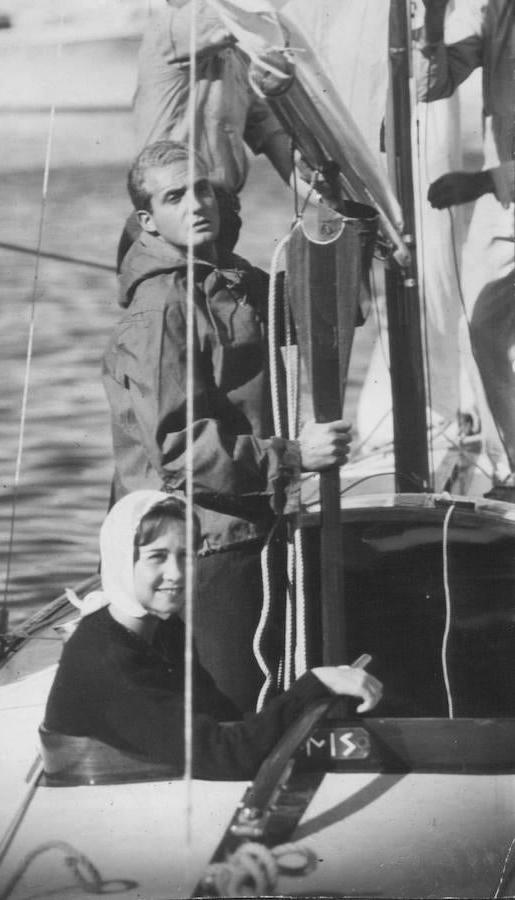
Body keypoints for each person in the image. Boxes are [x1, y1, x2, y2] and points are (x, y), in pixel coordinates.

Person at [102, 140, 353, 712]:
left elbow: (307, 313)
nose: (196, 204)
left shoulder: (223, 276)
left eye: (203, 188)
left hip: (243, 523)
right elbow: (178, 448)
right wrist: (293, 456)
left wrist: (343, 236)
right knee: (232, 711)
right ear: (148, 220)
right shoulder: (162, 307)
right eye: (175, 197)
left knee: (258, 697)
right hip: (201, 544)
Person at [43, 491, 382, 781]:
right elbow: (228, 756)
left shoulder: (162, 628)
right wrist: (315, 684)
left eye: (186, 556)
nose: (176, 574)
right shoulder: (108, 663)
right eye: (157, 557)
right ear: (120, 562)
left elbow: (222, 719)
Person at [116, 0, 298, 267]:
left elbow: (279, 145)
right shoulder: (171, 27)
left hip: (216, 219)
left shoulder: (240, 61)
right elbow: (240, 15)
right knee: (172, 303)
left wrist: (328, 197)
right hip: (171, 222)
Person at [417, 0, 515, 493]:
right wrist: (433, 20)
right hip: (506, 192)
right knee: (481, 329)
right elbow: (429, 84)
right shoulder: (493, 10)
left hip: (498, 183)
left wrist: (477, 183)